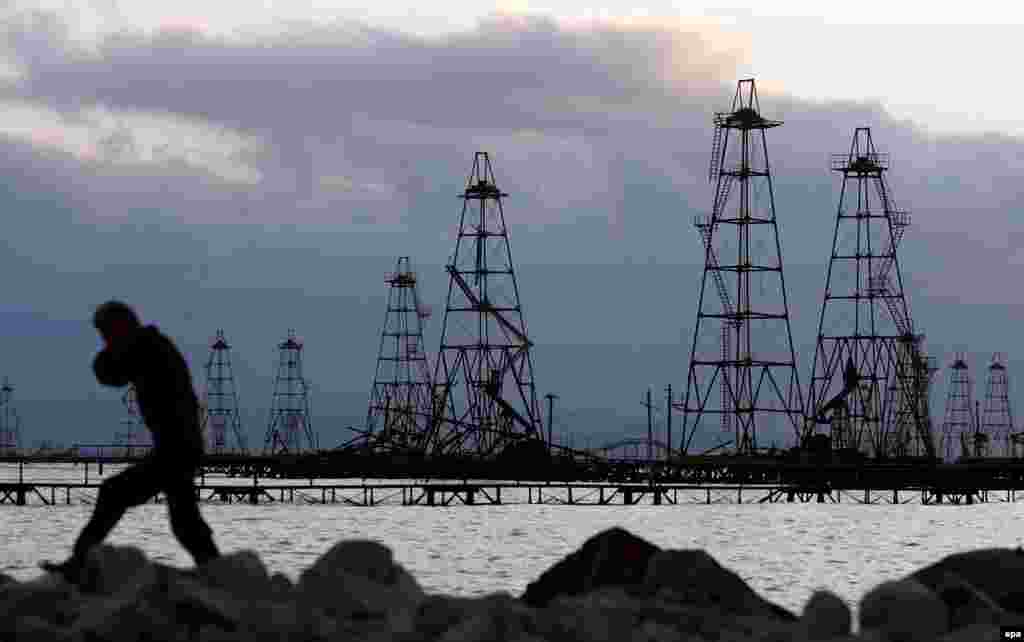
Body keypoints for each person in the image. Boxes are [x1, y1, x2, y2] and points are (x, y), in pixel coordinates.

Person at [45, 301, 219, 580]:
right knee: (184, 519)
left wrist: (106, 356)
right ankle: (215, 570)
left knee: (115, 493)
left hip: (176, 447)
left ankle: (79, 562)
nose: (105, 340)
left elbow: (110, 373)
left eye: (106, 334)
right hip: (179, 445)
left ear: (119, 328)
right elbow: (114, 372)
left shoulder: (146, 347)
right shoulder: (151, 345)